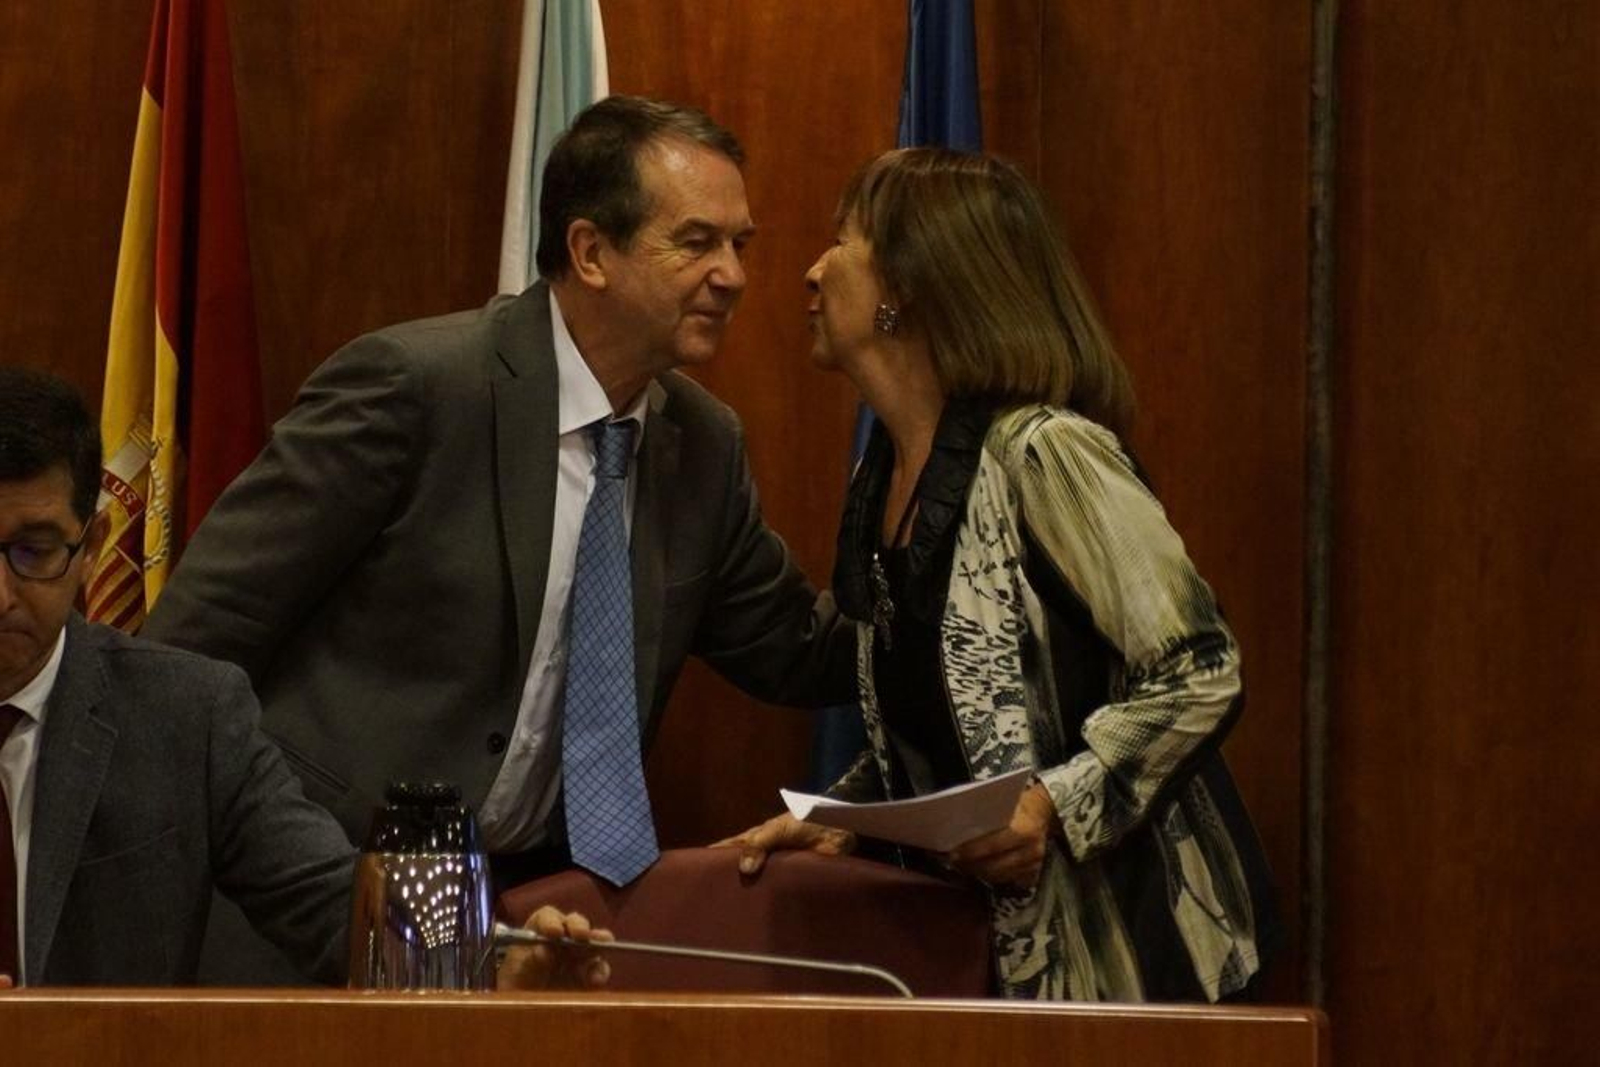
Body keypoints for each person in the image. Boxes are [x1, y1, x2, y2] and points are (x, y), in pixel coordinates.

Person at [143, 96, 851, 895]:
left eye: (739, 244)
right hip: (314, 897)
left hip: (527, 909)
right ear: (590, 251)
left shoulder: (703, 444)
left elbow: (799, 650)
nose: (733, 276)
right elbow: (192, 648)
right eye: (697, 243)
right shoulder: (415, 388)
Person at [718, 148, 1280, 1002]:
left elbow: (1199, 668)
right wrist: (842, 823)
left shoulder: (1049, 454)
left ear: (906, 287)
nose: (811, 269)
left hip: (1134, 964)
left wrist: (1052, 804)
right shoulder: (883, 481)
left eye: (841, 242)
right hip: (988, 968)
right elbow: (946, 725)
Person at [0, 368, 608, 988]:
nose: (1, 596)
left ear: (93, 546)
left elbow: (332, 904)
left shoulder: (182, 714)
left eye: (33, 551)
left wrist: (493, 966)